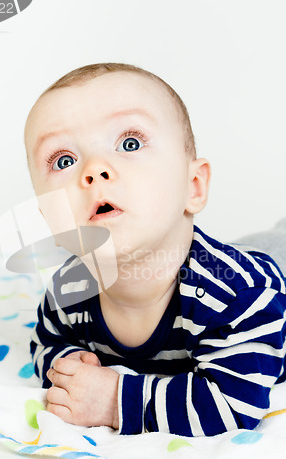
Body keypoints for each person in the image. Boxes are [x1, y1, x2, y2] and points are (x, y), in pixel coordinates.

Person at [24, 63, 286, 436]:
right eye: (63, 160)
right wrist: (66, 364)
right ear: (49, 219)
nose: (94, 170)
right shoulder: (69, 290)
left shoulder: (237, 299)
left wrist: (113, 399)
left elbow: (233, 407)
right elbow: (47, 340)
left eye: (129, 143)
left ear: (193, 186)